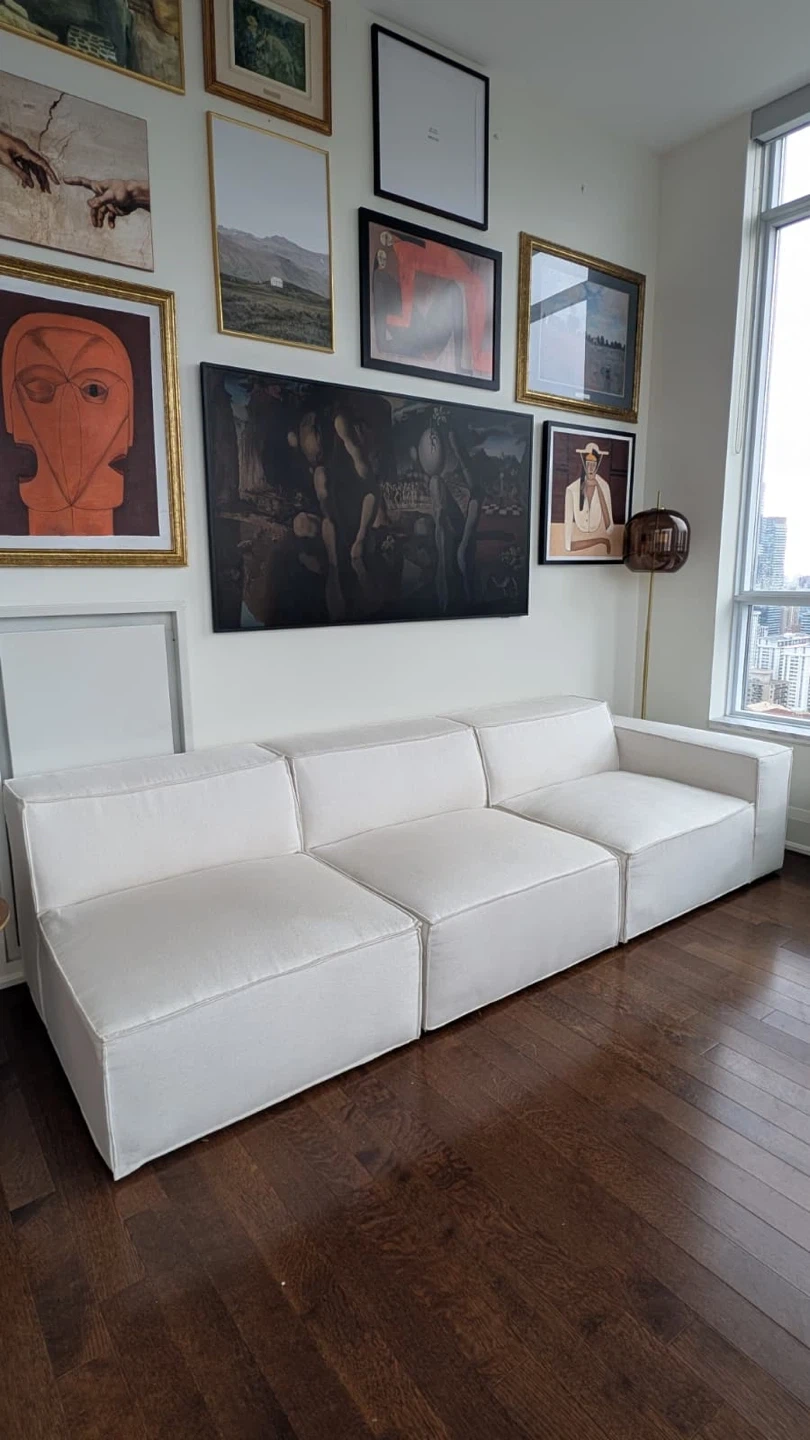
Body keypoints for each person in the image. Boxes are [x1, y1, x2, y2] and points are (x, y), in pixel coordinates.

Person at [563, 442, 615, 556]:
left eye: (593, 464)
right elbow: (568, 545)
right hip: (579, 533)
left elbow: (610, 528)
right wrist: (601, 540)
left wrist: (598, 487)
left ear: (598, 465)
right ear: (584, 464)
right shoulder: (572, 489)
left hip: (597, 532)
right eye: (588, 464)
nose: (591, 468)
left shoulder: (604, 486)